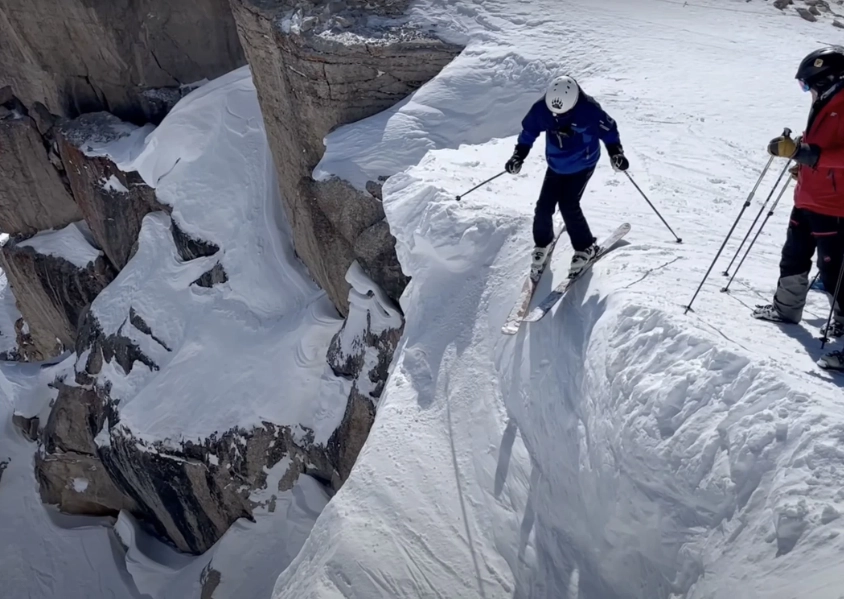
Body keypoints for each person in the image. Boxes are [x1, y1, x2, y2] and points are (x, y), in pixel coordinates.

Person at [753, 46, 844, 370]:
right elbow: (820, 145)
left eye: (809, 84)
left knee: (835, 272)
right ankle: (786, 309)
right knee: (793, 255)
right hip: (808, 197)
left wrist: (810, 156)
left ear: (830, 79)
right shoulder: (825, 104)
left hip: (835, 205)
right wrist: (802, 162)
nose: (807, 91)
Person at [504, 75, 628, 281]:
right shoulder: (542, 108)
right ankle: (542, 243)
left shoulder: (589, 109)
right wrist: (518, 156)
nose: (557, 116)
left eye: (563, 113)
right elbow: (529, 132)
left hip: (583, 163)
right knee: (543, 206)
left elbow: (609, 131)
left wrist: (616, 153)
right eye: (554, 113)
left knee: (568, 204)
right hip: (556, 163)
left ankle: (585, 247)